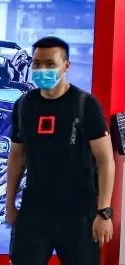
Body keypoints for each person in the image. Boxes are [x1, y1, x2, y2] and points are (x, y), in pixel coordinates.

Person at [7, 36, 115, 265]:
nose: (42, 69)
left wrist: (104, 212)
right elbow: (16, 156)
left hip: (79, 212)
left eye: (50, 64)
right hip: (35, 208)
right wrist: (10, 205)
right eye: (37, 63)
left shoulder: (85, 105)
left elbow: (105, 160)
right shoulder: (24, 104)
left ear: (66, 66)